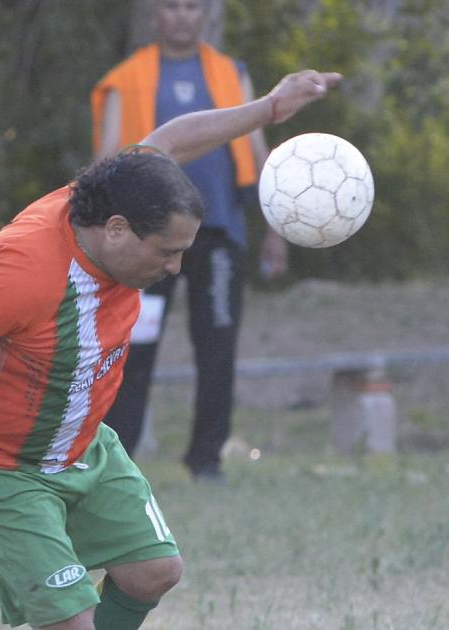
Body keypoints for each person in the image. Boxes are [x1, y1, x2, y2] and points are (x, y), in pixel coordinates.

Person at [0, 70, 340, 629]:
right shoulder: (23, 274)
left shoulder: (126, 192)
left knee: (153, 571)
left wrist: (268, 108)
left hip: (81, 442)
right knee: (72, 619)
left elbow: (170, 140)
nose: (176, 268)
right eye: (166, 252)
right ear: (117, 230)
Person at [90, 0, 288, 480]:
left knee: (217, 349)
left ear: (204, 15)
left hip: (218, 234)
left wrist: (277, 231)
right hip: (145, 243)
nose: (181, 15)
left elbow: (258, 153)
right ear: (154, 16)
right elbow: (104, 162)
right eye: (171, 6)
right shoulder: (126, 78)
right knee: (132, 351)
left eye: (191, 6)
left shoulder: (231, 74)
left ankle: (206, 460)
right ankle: (117, 462)